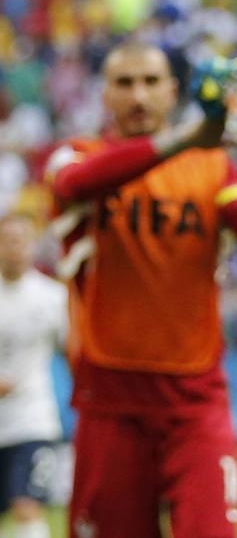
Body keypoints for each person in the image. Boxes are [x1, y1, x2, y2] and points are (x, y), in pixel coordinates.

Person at [45, 42, 237, 538]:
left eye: (151, 82)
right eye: (124, 83)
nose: (139, 95)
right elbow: (74, 185)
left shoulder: (211, 166)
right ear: (104, 94)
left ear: (174, 90)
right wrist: (186, 139)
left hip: (194, 400)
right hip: (108, 401)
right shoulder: (79, 155)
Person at [0, 214, 67, 538]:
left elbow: (74, 352)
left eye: (21, 241)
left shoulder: (53, 297)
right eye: (7, 241)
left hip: (32, 420)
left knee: (27, 505)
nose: (15, 249)